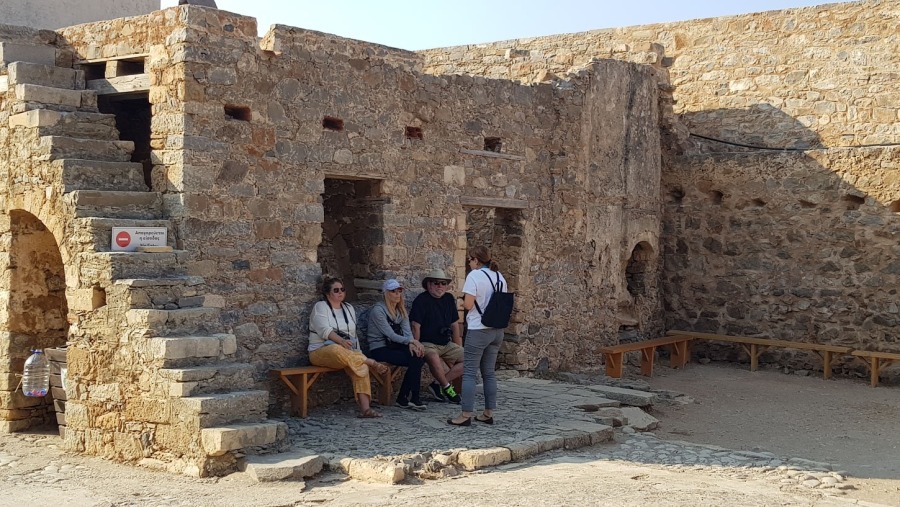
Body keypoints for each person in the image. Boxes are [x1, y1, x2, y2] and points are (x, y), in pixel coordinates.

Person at [308, 275, 388, 418]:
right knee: (336, 349)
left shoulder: (349, 308)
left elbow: (353, 334)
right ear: (328, 293)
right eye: (336, 290)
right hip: (321, 351)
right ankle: (368, 361)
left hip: (348, 353)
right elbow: (325, 331)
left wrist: (357, 351)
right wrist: (341, 341)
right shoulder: (320, 307)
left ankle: (366, 409)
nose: (340, 293)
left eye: (342, 289)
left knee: (361, 366)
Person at [448, 246, 507, 426]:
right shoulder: (500, 277)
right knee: (489, 372)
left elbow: (468, 305)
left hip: (478, 328)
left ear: (476, 260)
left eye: (470, 259)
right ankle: (488, 412)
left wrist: (460, 299)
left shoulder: (474, 276)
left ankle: (465, 414)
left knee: (469, 373)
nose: (468, 262)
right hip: (497, 330)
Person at [366, 279, 427, 410]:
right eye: (393, 291)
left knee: (417, 357)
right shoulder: (378, 311)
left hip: (396, 345)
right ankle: (410, 398)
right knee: (415, 360)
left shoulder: (401, 311)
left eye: (399, 291)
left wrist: (412, 344)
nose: (397, 294)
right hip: (380, 348)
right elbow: (390, 334)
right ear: (386, 293)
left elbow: (407, 332)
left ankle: (408, 397)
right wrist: (411, 341)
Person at [409, 269, 463, 404]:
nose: (440, 286)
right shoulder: (421, 300)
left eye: (443, 283)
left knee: (471, 359)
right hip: (427, 343)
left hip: (446, 343)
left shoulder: (449, 299)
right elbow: (416, 325)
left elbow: (455, 324)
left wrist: (458, 346)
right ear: (428, 285)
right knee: (434, 357)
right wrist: (416, 344)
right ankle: (447, 388)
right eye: (436, 283)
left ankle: (437, 385)